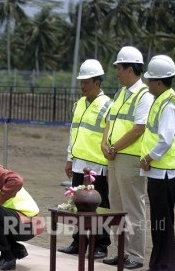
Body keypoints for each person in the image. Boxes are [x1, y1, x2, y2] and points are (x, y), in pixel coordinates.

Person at [101, 46, 154, 269]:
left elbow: (138, 129)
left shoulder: (144, 95)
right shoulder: (121, 93)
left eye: (119, 68)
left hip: (130, 159)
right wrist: (104, 144)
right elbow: (110, 121)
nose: (117, 72)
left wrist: (113, 147)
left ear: (130, 69)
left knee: (133, 208)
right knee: (116, 206)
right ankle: (121, 252)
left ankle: (136, 255)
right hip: (114, 157)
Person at [58, 59, 112, 259]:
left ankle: (101, 245)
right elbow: (74, 132)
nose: (82, 85)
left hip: (98, 165)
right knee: (78, 204)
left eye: (86, 82)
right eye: (81, 81)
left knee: (100, 205)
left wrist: (108, 168)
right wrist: (69, 158)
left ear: (97, 82)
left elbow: (109, 137)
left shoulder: (108, 105)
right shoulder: (79, 103)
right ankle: (78, 242)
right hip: (79, 163)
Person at [140, 55, 175, 271]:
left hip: (166, 171)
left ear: (158, 82)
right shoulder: (163, 99)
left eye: (150, 79)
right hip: (162, 171)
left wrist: (148, 158)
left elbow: (166, 140)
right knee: (160, 221)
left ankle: (165, 265)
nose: (147, 83)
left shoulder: (167, 104)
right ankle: (159, 263)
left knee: (163, 222)